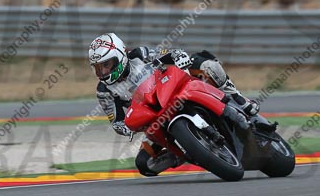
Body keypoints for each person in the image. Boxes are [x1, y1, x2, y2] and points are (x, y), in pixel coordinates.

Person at [88, 33, 260, 177]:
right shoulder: (104, 91)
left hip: (171, 91)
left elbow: (168, 53)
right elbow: (116, 122)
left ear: (120, 56)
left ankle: (239, 100)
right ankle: (186, 151)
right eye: (97, 67)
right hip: (154, 119)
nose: (102, 71)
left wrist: (178, 56)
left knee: (204, 64)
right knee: (145, 164)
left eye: (106, 65)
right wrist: (128, 128)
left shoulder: (139, 54)